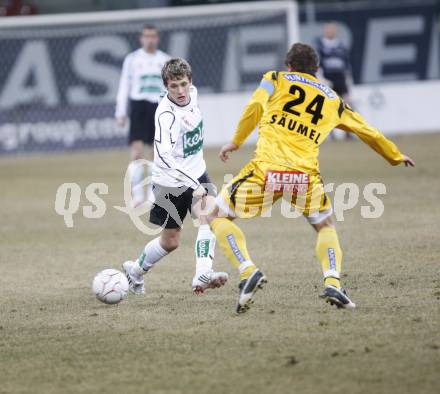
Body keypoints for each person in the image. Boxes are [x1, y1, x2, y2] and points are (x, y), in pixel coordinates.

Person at [203, 43, 415, 313]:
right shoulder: (333, 99)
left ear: (288, 65)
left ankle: (247, 271)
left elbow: (255, 106)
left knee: (215, 216)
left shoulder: (275, 79)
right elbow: (367, 131)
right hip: (304, 177)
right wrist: (394, 156)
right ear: (316, 70)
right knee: (325, 225)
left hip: (267, 171)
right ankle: (333, 281)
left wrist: (235, 141)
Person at [122, 58, 228, 295]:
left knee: (210, 215)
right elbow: (164, 158)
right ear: (166, 87)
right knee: (170, 241)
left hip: (196, 172)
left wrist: (197, 182)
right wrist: (194, 184)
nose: (180, 91)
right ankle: (136, 271)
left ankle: (202, 274)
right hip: (169, 182)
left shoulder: (194, 94)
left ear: (190, 82)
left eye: (183, 84)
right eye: (173, 86)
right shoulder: (166, 117)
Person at [115, 24, 170, 207]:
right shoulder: (132, 59)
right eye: (146, 36)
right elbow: (124, 85)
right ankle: (138, 196)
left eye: (153, 36)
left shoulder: (165, 60)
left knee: (157, 153)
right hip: (138, 105)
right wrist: (120, 112)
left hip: (158, 106)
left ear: (158, 38)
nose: (150, 39)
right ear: (141, 38)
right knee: (137, 152)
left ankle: (154, 197)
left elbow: (170, 88)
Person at [316, 22, 352, 140]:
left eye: (332, 29)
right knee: (329, 107)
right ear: (325, 31)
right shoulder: (320, 46)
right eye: (328, 29)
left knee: (346, 105)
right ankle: (331, 133)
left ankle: (348, 132)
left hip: (340, 79)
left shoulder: (341, 46)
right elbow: (318, 65)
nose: (330, 31)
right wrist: (322, 79)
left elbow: (346, 65)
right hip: (328, 80)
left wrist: (348, 79)